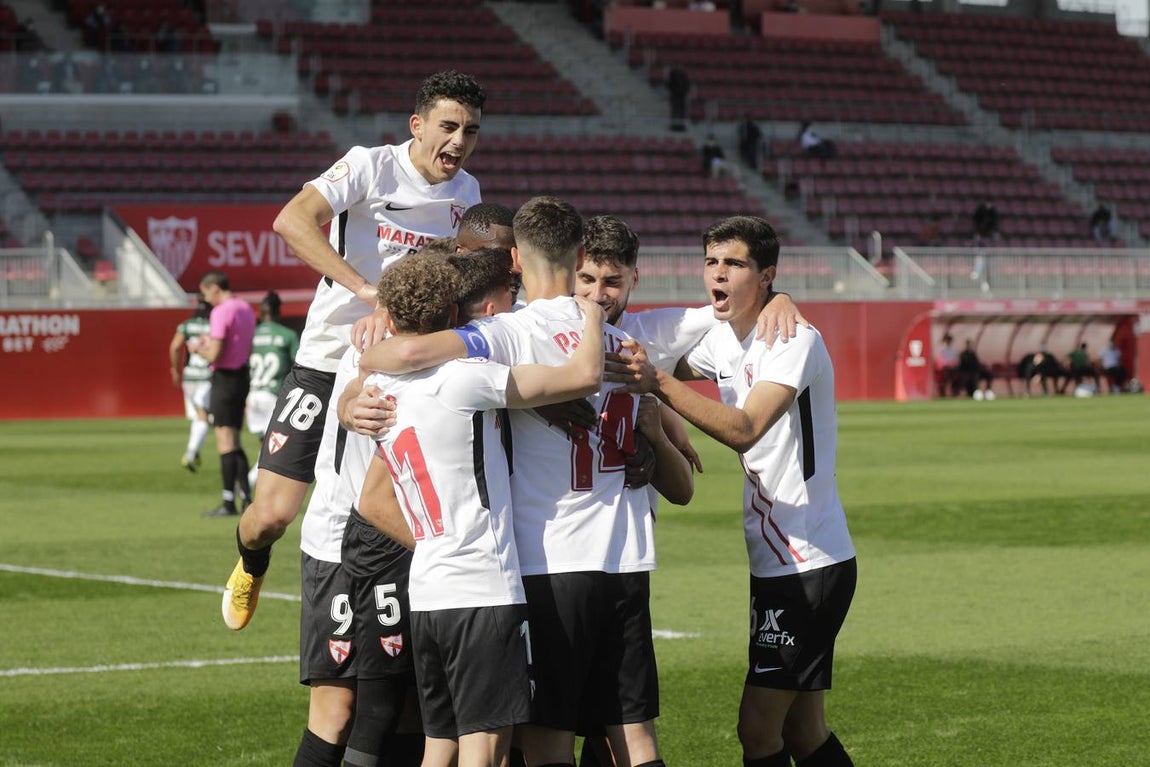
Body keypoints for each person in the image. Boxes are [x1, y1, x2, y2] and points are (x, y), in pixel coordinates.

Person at [359, 196, 678, 767]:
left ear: (513, 259)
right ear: (580, 255)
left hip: (548, 562)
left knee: (542, 742)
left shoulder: (502, 334)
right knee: (634, 739)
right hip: (628, 559)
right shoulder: (619, 343)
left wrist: (357, 385)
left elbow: (410, 356)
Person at [221, 70, 485, 632]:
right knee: (269, 516)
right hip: (326, 361)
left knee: (402, 508)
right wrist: (368, 291)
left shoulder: (468, 194)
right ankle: (250, 562)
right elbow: (291, 220)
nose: (458, 141)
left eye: (470, 130)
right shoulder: (370, 165)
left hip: (405, 372)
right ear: (417, 126)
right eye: (448, 126)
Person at [619, 215, 857, 767]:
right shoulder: (727, 340)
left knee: (757, 731)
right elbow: (663, 358)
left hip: (808, 560)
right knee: (804, 731)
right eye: (711, 262)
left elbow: (744, 428)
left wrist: (657, 384)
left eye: (734, 264)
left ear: (766, 274)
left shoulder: (794, 340)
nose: (717, 275)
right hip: (781, 558)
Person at [363, 252, 608, 767]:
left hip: (428, 593)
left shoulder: (375, 391)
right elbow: (585, 376)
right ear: (453, 314)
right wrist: (590, 312)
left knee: (439, 748)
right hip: (483, 592)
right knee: (487, 756)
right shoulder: (464, 380)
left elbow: (373, 493)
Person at [194, 271, 257, 517]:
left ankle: (228, 501)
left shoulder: (220, 311)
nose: (206, 298)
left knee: (225, 440)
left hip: (224, 378)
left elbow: (215, 354)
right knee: (234, 439)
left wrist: (199, 349)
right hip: (241, 376)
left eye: (206, 292)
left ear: (216, 288)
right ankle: (245, 498)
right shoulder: (245, 308)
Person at [245, 291, 300, 491]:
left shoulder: (252, 335)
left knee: (267, 445)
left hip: (253, 396)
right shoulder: (287, 335)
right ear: (278, 311)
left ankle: (256, 485)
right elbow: (300, 363)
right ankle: (247, 482)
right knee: (275, 448)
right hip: (272, 396)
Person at [169, 298, 213, 472]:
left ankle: (194, 450)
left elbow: (174, 347)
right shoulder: (214, 326)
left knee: (198, 415)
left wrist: (175, 369)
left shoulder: (187, 325)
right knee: (203, 415)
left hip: (190, 377)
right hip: (206, 375)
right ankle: (191, 452)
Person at [667, 66, 691, 132]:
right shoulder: (673, 76)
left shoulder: (683, 77)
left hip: (680, 96)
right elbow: (669, 85)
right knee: (676, 111)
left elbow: (687, 86)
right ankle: (676, 125)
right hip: (676, 96)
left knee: (679, 111)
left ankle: (680, 125)